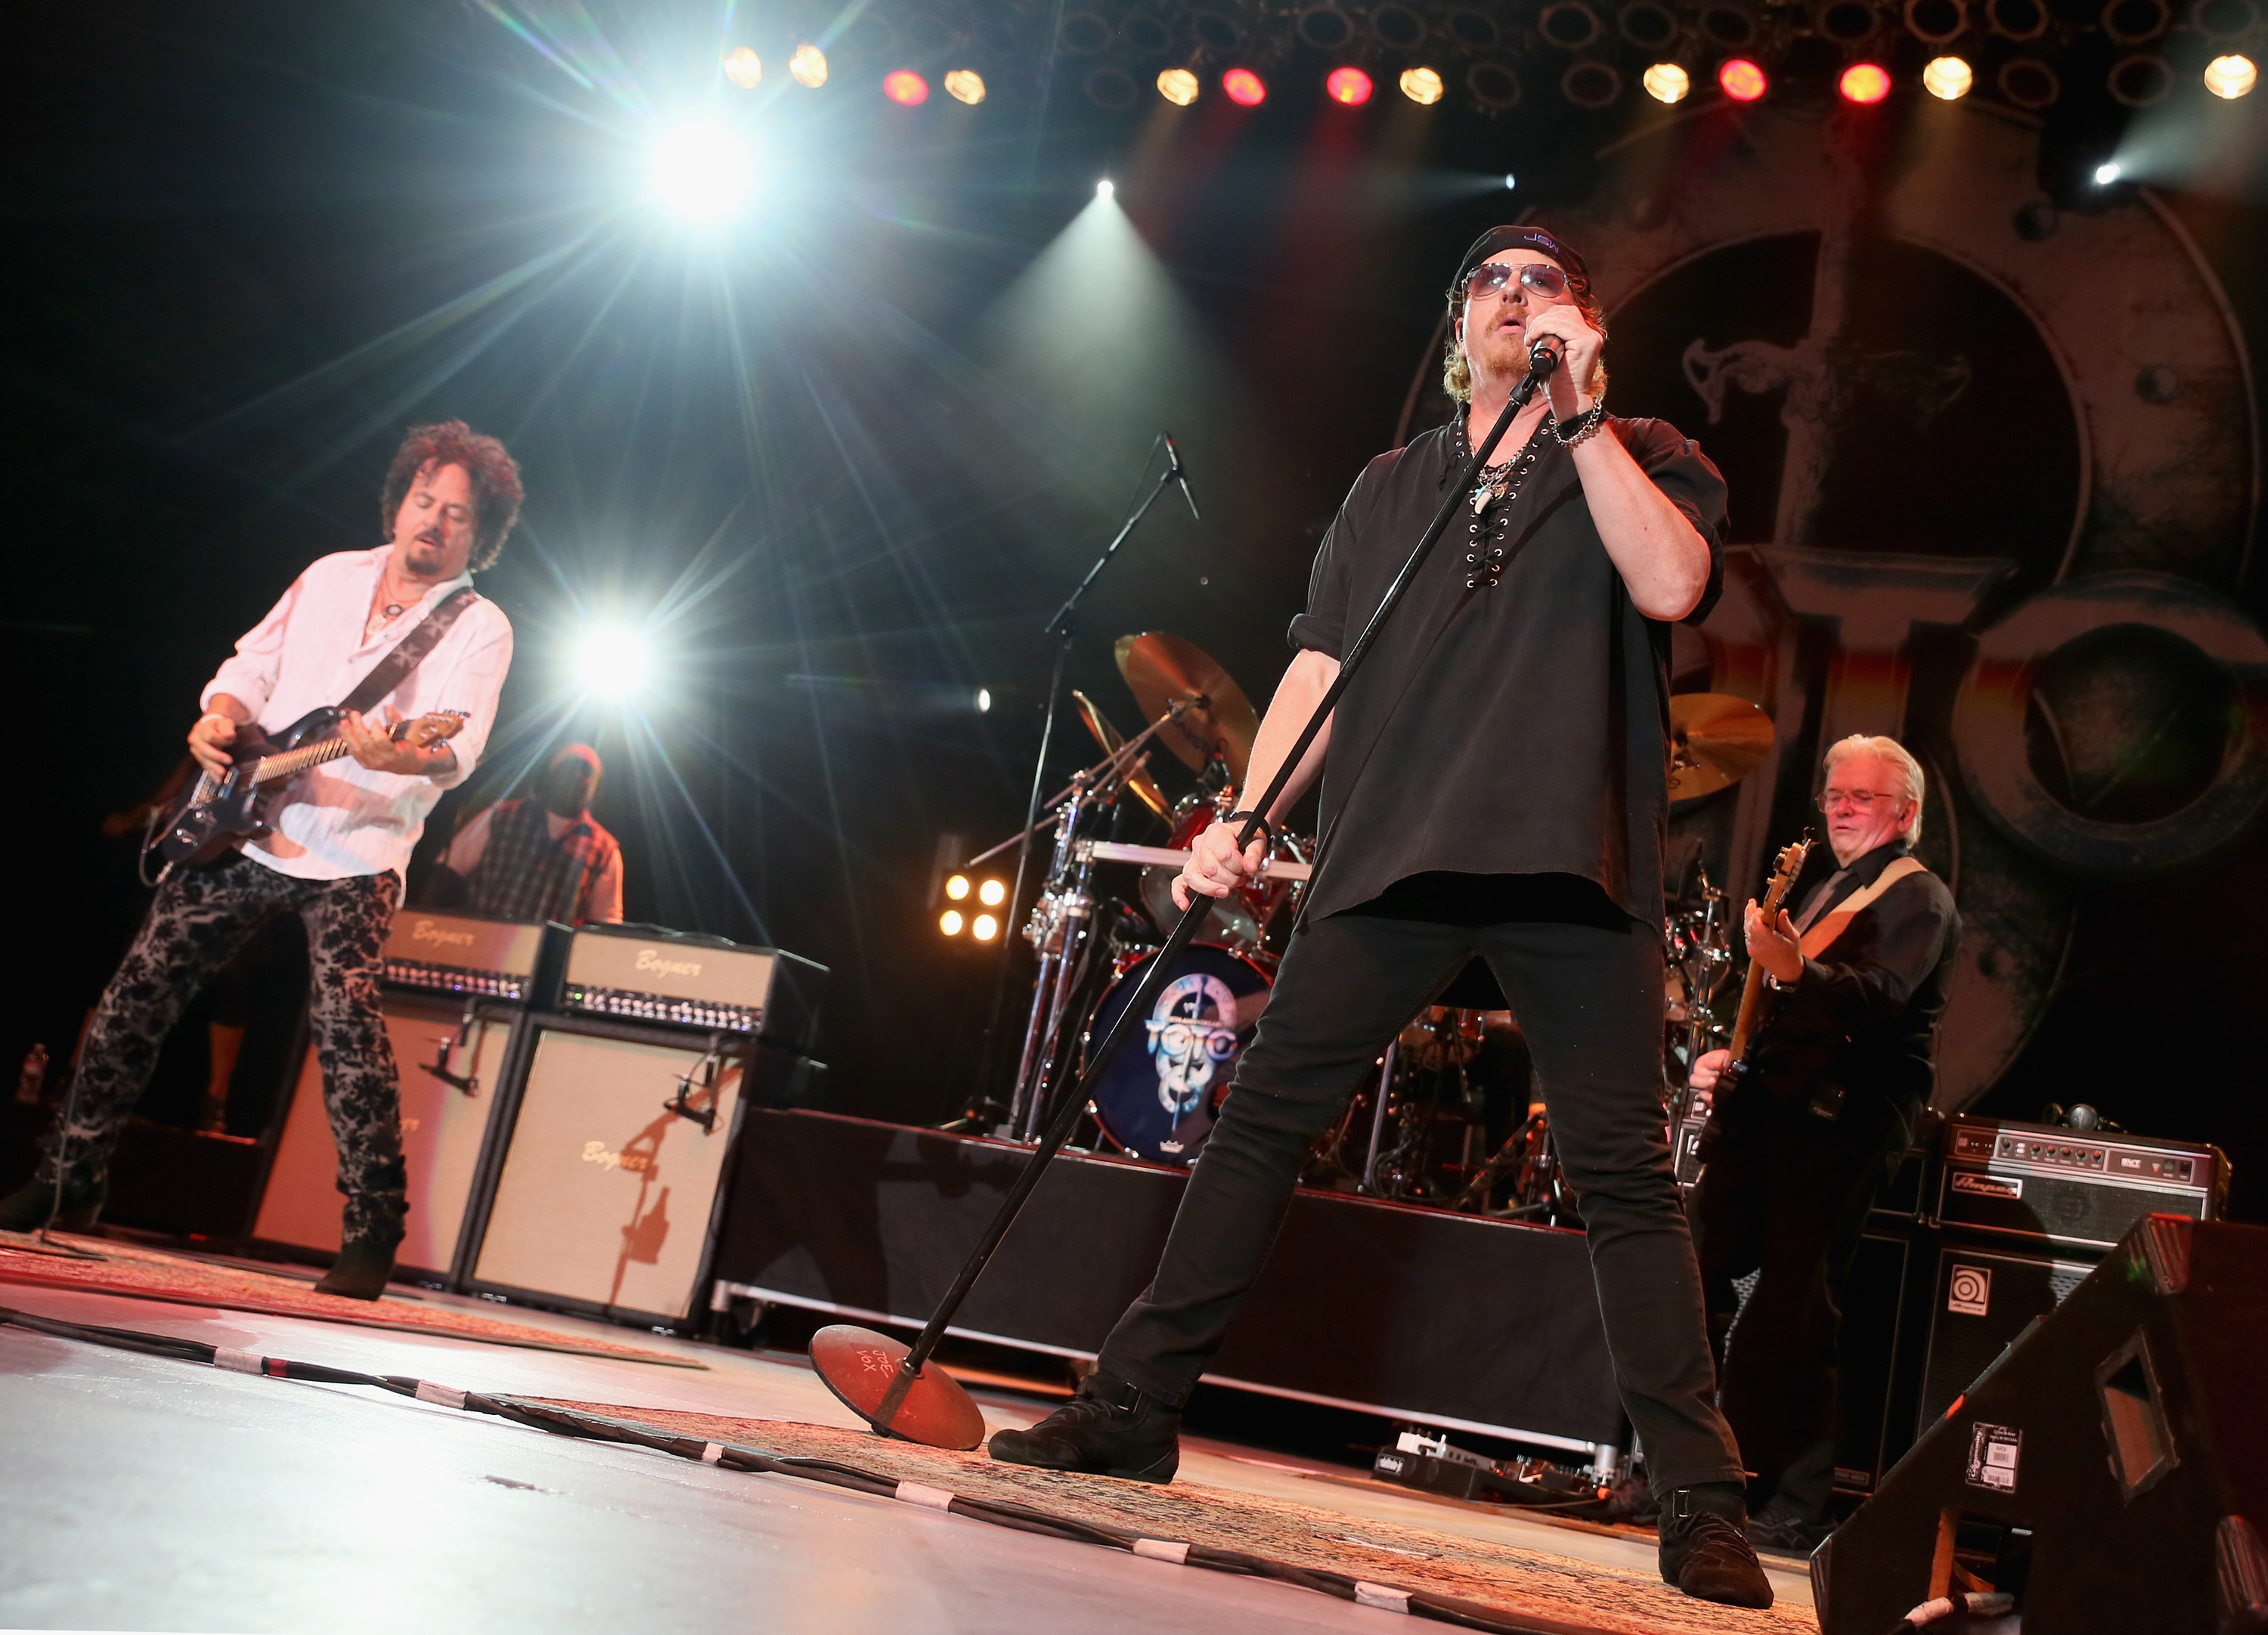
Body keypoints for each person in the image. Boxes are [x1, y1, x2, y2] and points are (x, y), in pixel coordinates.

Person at [990, 226, 1774, 1608]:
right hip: (1390, 848)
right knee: (1258, 1124)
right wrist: (1245, 815)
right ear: (1456, 323)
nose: (1514, 297)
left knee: (1624, 1178)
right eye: (1490, 281)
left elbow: (1670, 584)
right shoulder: (1392, 482)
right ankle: (1132, 1403)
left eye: (1544, 282)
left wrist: (1582, 414)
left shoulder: (1646, 448)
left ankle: (1703, 1497)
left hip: (1566, 858)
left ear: (1586, 321)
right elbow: (1320, 659)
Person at [0, 420, 522, 1301]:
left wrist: (404, 756)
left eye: (458, 516)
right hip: (244, 824)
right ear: (399, 501)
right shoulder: (328, 576)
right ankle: (69, 1177)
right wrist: (217, 714)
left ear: (482, 535)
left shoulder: (479, 627)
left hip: (359, 852)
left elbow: (453, 749)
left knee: (347, 1028)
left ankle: (371, 1227)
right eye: (425, 502)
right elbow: (253, 664)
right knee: (137, 994)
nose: (434, 522)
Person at [1684, 735, 1960, 1554]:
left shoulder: (1919, 898)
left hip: (1840, 1125)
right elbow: (1793, 1004)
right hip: (1770, 1112)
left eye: (1862, 798)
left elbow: (1879, 1002)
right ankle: (1691, 1469)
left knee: (1797, 1308)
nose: (1841, 808)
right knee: (1690, 1280)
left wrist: (1796, 970)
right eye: (1835, 795)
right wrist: (1739, 1051)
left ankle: (1799, 1503)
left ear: (1905, 813)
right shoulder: (1832, 886)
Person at [436, 743, 623, 925]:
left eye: (588, 773)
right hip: (481, 944)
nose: (579, 776)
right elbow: (449, 870)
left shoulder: (605, 849)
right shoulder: (501, 815)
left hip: (549, 955)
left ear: (596, 788)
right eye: (571, 768)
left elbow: (606, 920)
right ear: (548, 776)